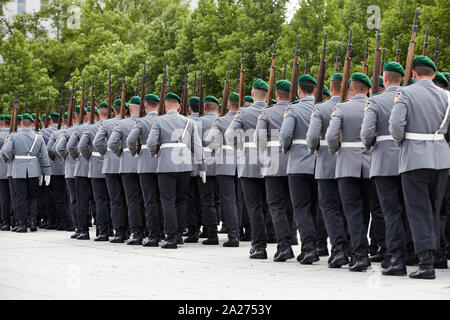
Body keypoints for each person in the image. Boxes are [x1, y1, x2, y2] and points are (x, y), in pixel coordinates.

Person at [389, 56, 450, 279]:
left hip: (414, 157)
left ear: (413, 74)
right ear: (433, 74)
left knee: (418, 211)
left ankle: (426, 263)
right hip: (442, 159)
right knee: (436, 210)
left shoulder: (405, 93)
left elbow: (396, 125)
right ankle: (436, 256)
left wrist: (401, 143)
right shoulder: (447, 95)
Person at [361, 62, 408, 276]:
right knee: (409, 211)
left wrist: (372, 146)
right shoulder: (410, 96)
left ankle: (394, 255)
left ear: (384, 78)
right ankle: (412, 253)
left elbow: (366, 134)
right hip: (409, 160)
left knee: (390, 212)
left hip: (383, 162)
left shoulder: (376, 101)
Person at [326, 72, 372, 272]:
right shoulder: (373, 105)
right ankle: (363, 252)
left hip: (346, 164)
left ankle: (359, 254)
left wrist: (337, 150)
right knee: (365, 211)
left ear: (351, 88)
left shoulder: (341, 108)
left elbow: (330, 136)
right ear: (368, 88)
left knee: (351, 211)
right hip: (370, 164)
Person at [147, 92, 206, 249]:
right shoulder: (189, 122)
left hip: (166, 165)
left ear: (166, 105)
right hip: (185, 165)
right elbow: (197, 146)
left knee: (168, 200)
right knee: (181, 200)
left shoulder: (159, 121)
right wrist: (202, 167)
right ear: (179, 107)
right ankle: (179, 234)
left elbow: (151, 143)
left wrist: (155, 154)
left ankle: (171, 237)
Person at [306, 73, 349, 268]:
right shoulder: (354, 106)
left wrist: (315, 150)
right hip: (351, 165)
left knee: (330, 208)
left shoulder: (321, 108)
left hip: (325, 164)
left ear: (330, 88)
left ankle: (338, 249)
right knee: (350, 208)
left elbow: (312, 138)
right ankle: (353, 249)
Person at [225, 79, 269, 259]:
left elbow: (229, 135)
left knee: (254, 206)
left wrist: (240, 146)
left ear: (252, 94)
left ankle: (259, 245)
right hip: (271, 163)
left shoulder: (243, 113)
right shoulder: (272, 111)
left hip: (249, 164)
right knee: (269, 206)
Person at [279, 75, 318, 264]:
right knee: (318, 207)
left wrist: (286, 149)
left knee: (301, 208)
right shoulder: (322, 107)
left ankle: (309, 247)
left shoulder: (293, 109)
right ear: (315, 91)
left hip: (298, 165)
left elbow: (285, 135)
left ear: (299, 91)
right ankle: (320, 246)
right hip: (319, 164)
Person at [256, 80, 295, 262]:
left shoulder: (267, 113)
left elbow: (259, 139)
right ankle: (291, 237)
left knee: (276, 205)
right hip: (294, 162)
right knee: (291, 204)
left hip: (273, 163)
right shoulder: (297, 109)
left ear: (277, 95)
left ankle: (284, 245)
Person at [3, 113, 51, 232]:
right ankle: (33, 222)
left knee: (20, 197)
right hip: (34, 170)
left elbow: (6, 151)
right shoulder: (38, 137)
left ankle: (22, 224)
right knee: (34, 197)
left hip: (18, 169)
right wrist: (47, 171)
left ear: (21, 124)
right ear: (32, 124)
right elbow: (44, 156)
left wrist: (12, 159)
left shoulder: (13, 136)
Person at [127, 94, 163, 247]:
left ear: (146, 107)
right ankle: (163, 232)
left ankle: (152, 233)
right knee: (163, 200)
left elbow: (130, 140)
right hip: (162, 163)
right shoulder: (164, 119)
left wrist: (136, 152)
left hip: (146, 165)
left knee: (149, 201)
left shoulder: (142, 122)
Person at [108, 96, 145, 245]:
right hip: (147, 164)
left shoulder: (121, 124)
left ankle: (132, 232)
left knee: (131, 201)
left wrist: (121, 154)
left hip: (127, 165)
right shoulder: (149, 121)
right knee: (148, 200)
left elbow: (112, 143)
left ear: (129, 109)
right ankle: (151, 231)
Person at [206, 92, 241, 247]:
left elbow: (210, 142)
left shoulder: (221, 121)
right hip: (245, 162)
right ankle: (240, 231)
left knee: (228, 199)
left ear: (228, 105)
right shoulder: (247, 117)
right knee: (239, 199)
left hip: (225, 162)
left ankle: (233, 234)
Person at [93, 99, 128, 243]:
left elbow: (97, 142)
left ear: (114, 110)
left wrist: (106, 154)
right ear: (126, 110)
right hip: (128, 164)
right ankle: (132, 230)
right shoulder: (131, 122)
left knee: (115, 200)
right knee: (130, 200)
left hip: (111, 165)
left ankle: (118, 232)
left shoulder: (106, 124)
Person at [79, 103, 111, 241]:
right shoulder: (115, 125)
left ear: (98, 114)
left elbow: (81, 146)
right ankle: (116, 229)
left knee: (100, 200)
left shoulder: (91, 128)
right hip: (113, 165)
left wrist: (90, 157)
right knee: (114, 200)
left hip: (96, 166)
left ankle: (102, 230)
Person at [196, 95, 220, 245]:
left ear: (205, 108)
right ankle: (234, 232)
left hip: (205, 163)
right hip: (224, 164)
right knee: (224, 199)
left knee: (207, 200)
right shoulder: (223, 120)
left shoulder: (199, 122)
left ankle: (211, 233)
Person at [0, 115, 11, 231]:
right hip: (14, 171)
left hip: (2, 171)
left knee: (3, 198)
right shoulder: (15, 135)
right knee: (15, 197)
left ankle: (5, 221)